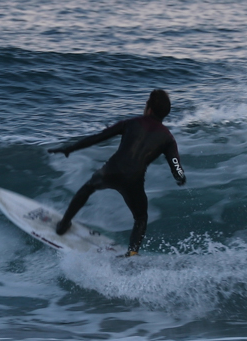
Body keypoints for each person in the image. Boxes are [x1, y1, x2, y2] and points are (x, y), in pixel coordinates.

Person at [48, 89, 187, 257]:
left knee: (87, 189)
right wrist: (180, 176)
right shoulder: (168, 138)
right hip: (133, 180)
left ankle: (63, 225)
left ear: (149, 108)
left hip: (111, 171)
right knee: (140, 218)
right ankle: (132, 253)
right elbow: (175, 164)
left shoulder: (130, 123)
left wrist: (70, 148)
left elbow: (97, 137)